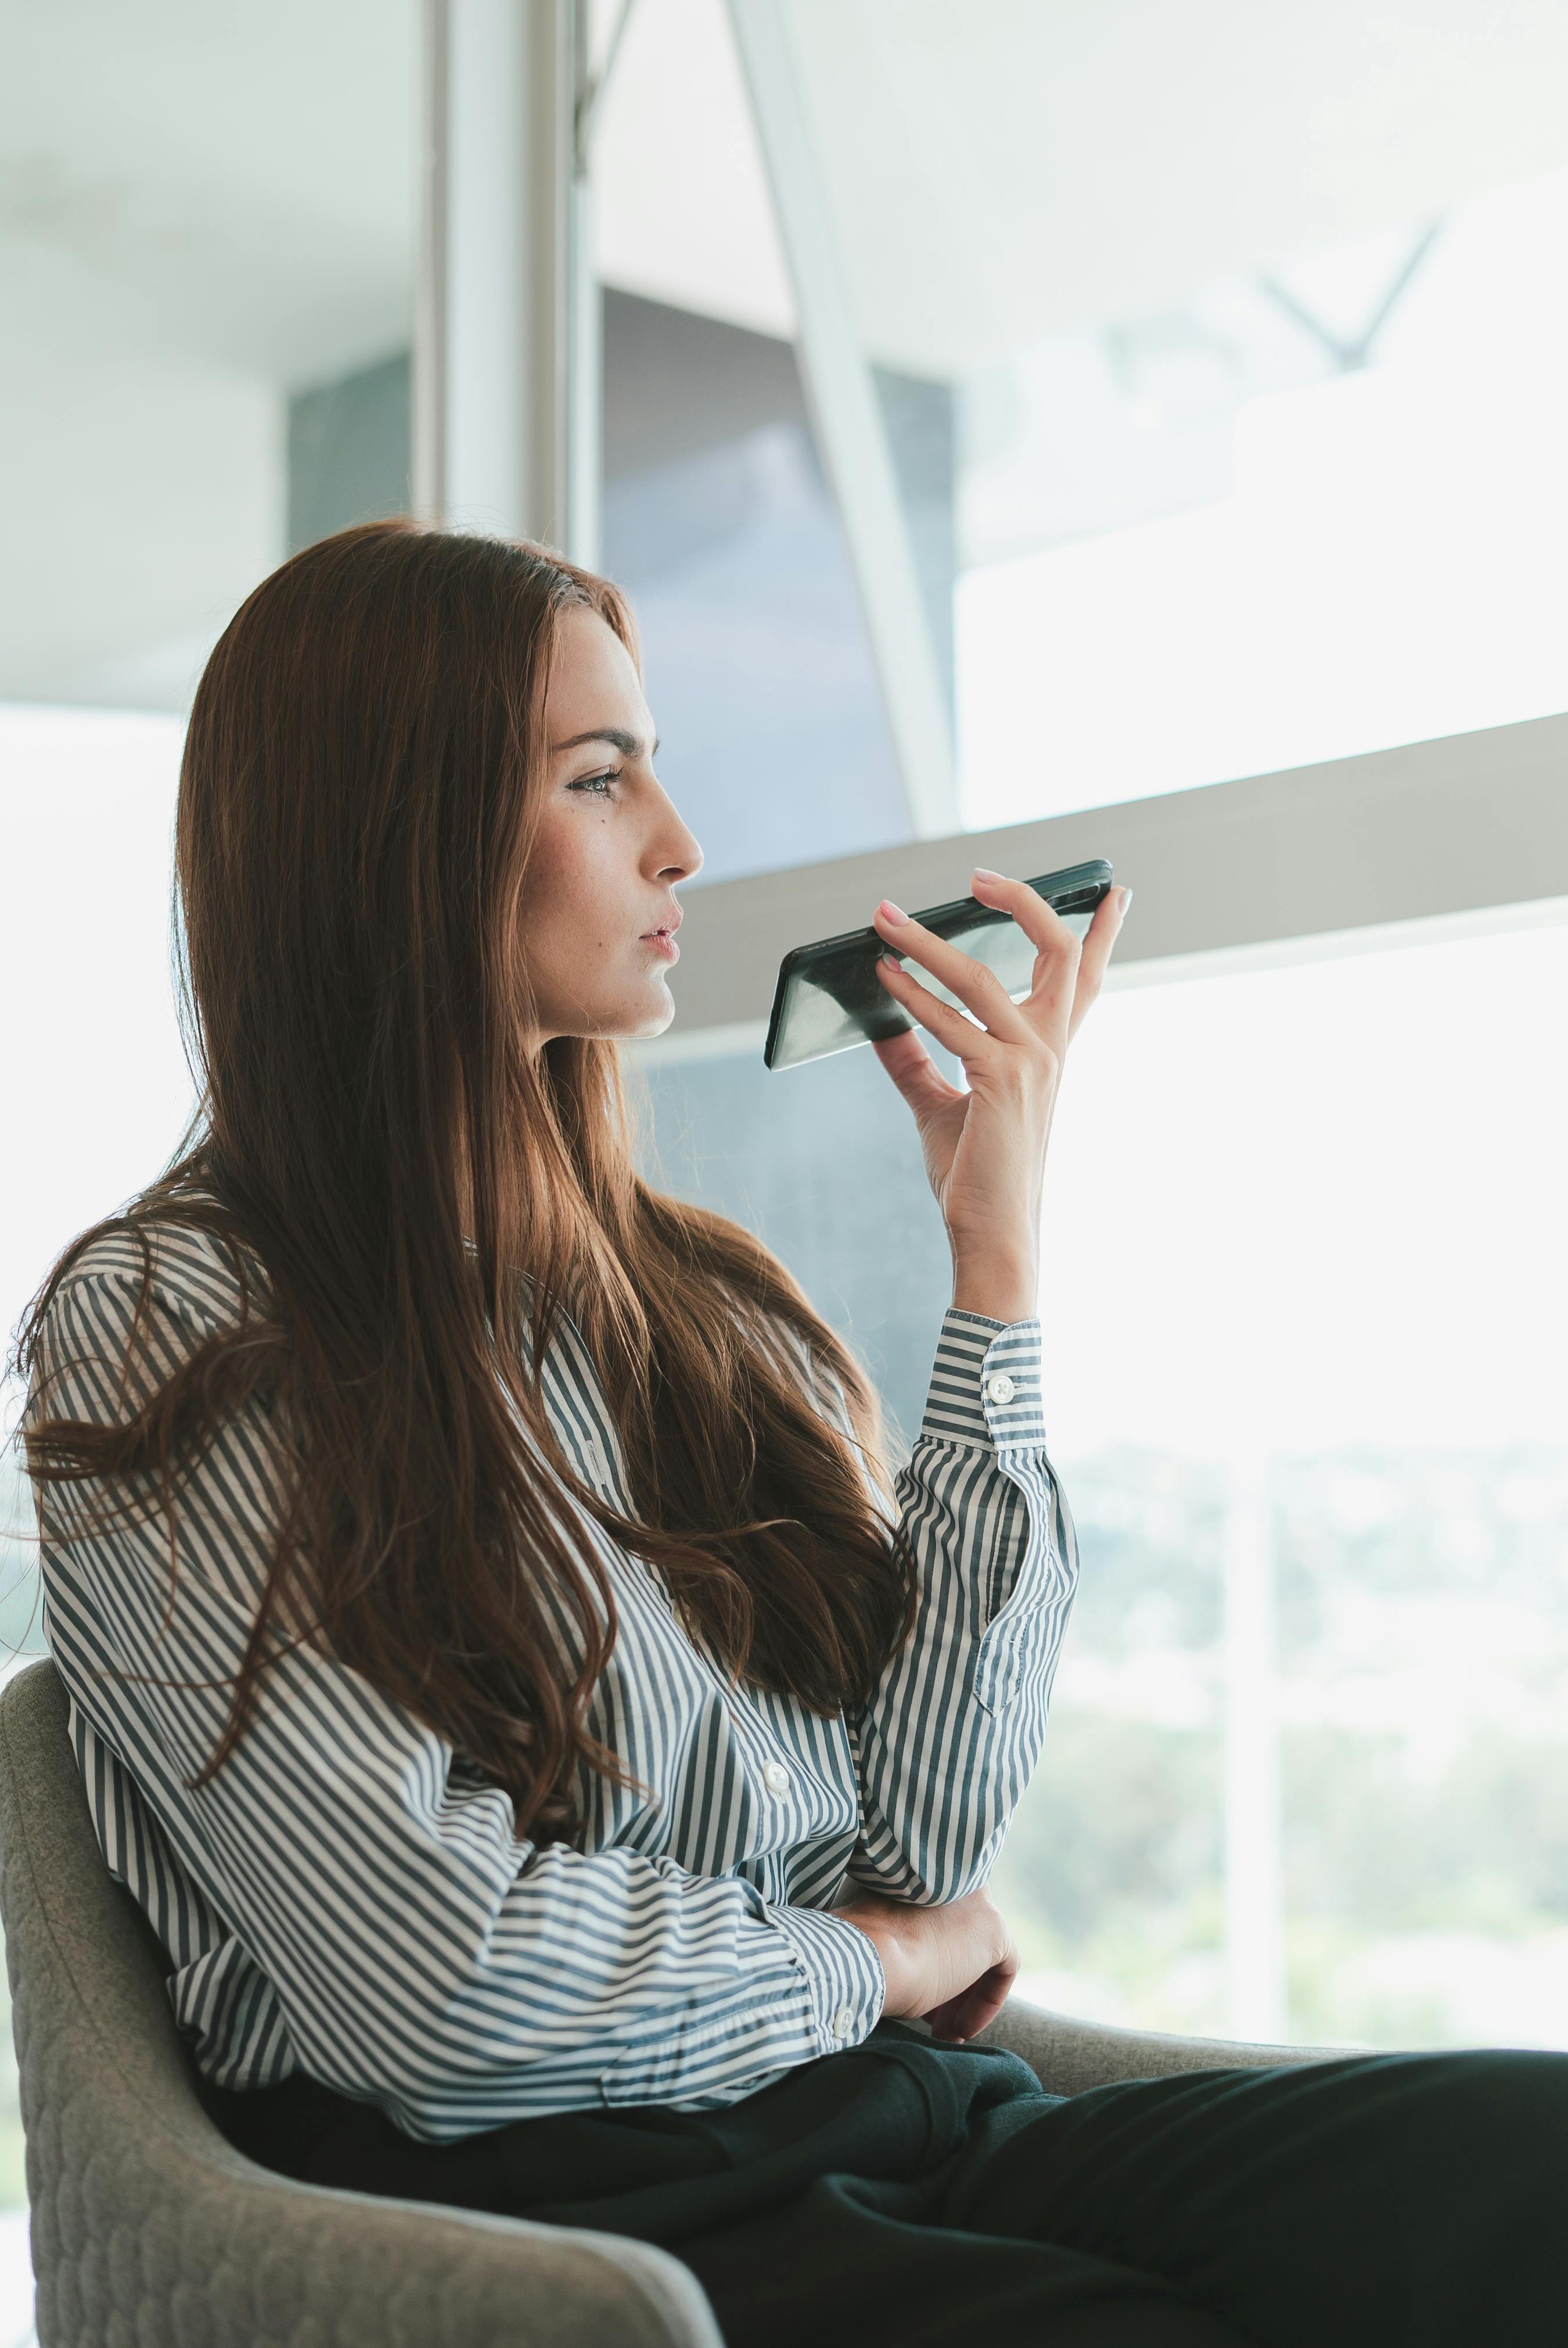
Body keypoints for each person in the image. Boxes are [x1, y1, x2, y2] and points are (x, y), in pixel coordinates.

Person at [16, 520, 1564, 2348]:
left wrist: (993, 1263)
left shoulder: (687, 1302)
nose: (677, 840)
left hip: (902, 2123)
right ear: (398, 839)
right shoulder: (175, 1317)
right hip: (564, 2211)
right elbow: (435, 1996)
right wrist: (870, 1963)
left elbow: (919, 1826)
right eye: (602, 779)